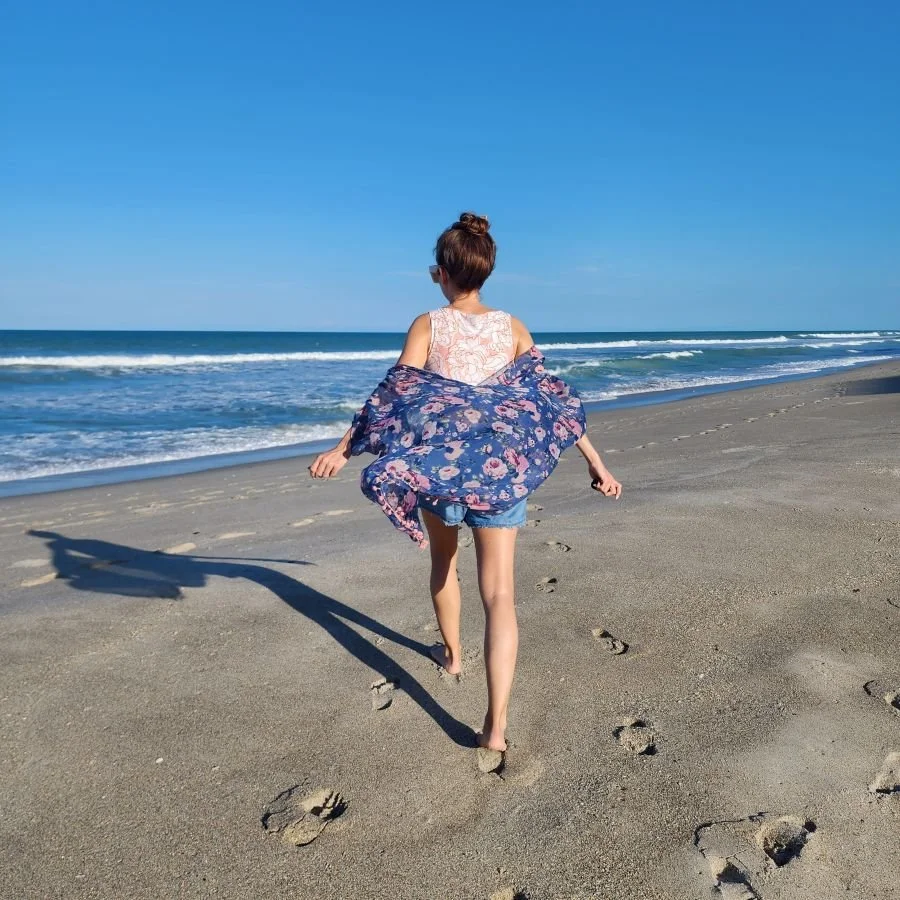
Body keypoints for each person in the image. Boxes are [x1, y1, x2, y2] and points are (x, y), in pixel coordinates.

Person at [309, 212, 621, 753]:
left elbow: (393, 397)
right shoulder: (513, 327)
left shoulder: (429, 323)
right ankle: (495, 728)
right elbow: (550, 404)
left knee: (443, 564)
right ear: (485, 270)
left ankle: (452, 656)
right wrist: (596, 461)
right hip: (501, 476)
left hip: (442, 474)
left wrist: (343, 449)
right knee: (500, 594)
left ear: (442, 273)